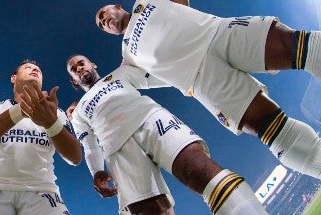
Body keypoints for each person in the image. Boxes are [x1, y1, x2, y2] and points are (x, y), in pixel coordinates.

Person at [96, 0, 321, 180]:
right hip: (202, 80)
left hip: (218, 32)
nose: (104, 21)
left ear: (117, 6)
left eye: (103, 14)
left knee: (298, 46)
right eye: (101, 25)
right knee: (271, 127)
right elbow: (112, 88)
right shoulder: (128, 58)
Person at [66, 54, 267, 215]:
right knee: (150, 211)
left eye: (81, 63)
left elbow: (160, 76)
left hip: (151, 120)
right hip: (116, 149)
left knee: (199, 171)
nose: (79, 69)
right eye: (74, 70)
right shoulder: (78, 112)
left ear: (92, 64)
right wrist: (95, 171)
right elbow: (89, 145)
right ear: (74, 81)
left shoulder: (120, 73)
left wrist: (193, 79)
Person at [0, 60, 82, 214]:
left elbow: (75, 157)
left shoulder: (55, 112)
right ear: (14, 78)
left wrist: (51, 122)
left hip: (42, 191)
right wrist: (20, 110)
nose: (35, 70)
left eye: (38, 70)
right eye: (28, 68)